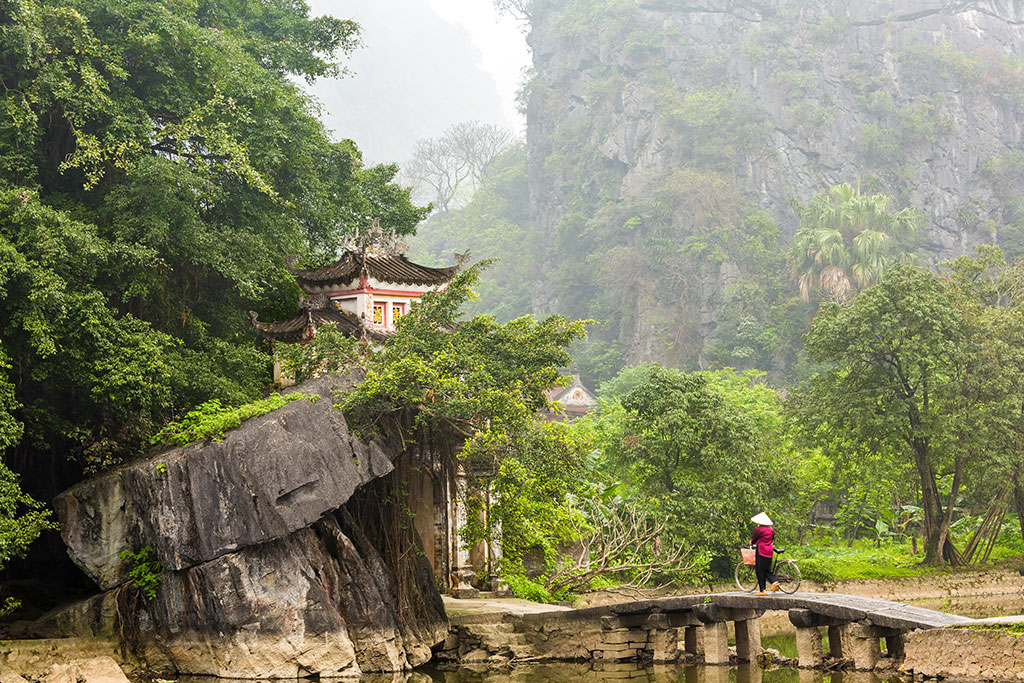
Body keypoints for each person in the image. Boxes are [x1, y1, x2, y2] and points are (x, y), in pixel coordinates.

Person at [750, 512, 779, 595]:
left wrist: (751, 542)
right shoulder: (770, 529)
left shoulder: (759, 529)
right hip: (769, 550)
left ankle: (762, 590)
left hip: (761, 551)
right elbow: (772, 538)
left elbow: (754, 539)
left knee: (759, 570)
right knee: (767, 570)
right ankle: (774, 581)